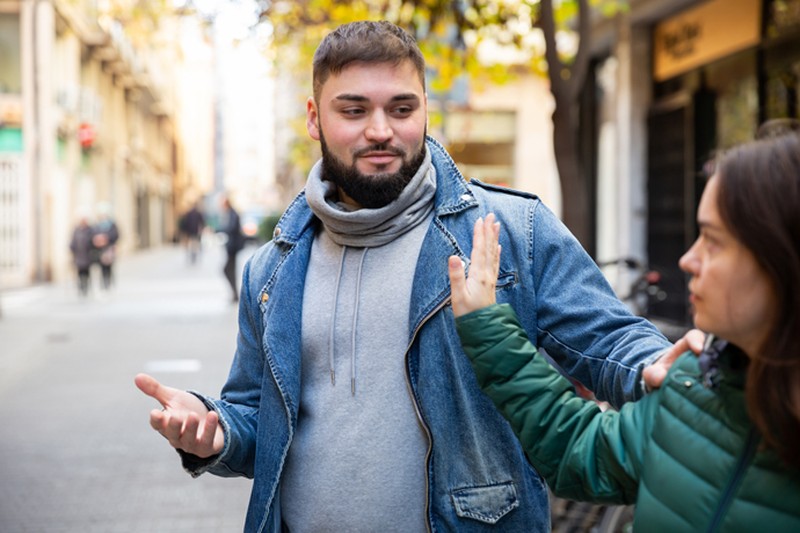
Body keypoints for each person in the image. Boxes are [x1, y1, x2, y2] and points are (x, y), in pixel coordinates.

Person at [135, 21, 691, 532]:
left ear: (426, 109)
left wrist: (657, 367)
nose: (381, 130)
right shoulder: (272, 268)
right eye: (353, 111)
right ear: (313, 118)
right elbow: (257, 422)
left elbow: (611, 340)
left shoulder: (508, 230)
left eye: (401, 109)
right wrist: (213, 430)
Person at [448, 131, 800, 531]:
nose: (688, 259)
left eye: (714, 242)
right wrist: (488, 327)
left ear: (782, 261)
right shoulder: (700, 386)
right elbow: (580, 452)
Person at [220, 196, 244, 302]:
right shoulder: (230, 213)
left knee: (227, 269)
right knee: (230, 270)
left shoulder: (232, 213)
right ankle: (234, 293)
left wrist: (220, 229)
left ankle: (235, 293)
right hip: (232, 247)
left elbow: (232, 228)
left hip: (233, 247)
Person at [92, 204, 120, 290]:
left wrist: (106, 238)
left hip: (109, 249)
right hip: (100, 250)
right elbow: (92, 235)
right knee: (102, 267)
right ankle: (104, 283)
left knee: (109, 266)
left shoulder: (112, 225)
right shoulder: (97, 225)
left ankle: (109, 281)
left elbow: (116, 235)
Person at [69, 214, 95, 297]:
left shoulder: (90, 230)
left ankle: (86, 286)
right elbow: (73, 242)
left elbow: (93, 241)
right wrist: (72, 249)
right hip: (79, 254)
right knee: (80, 272)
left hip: (88, 254)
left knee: (87, 271)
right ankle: (81, 286)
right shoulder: (76, 230)